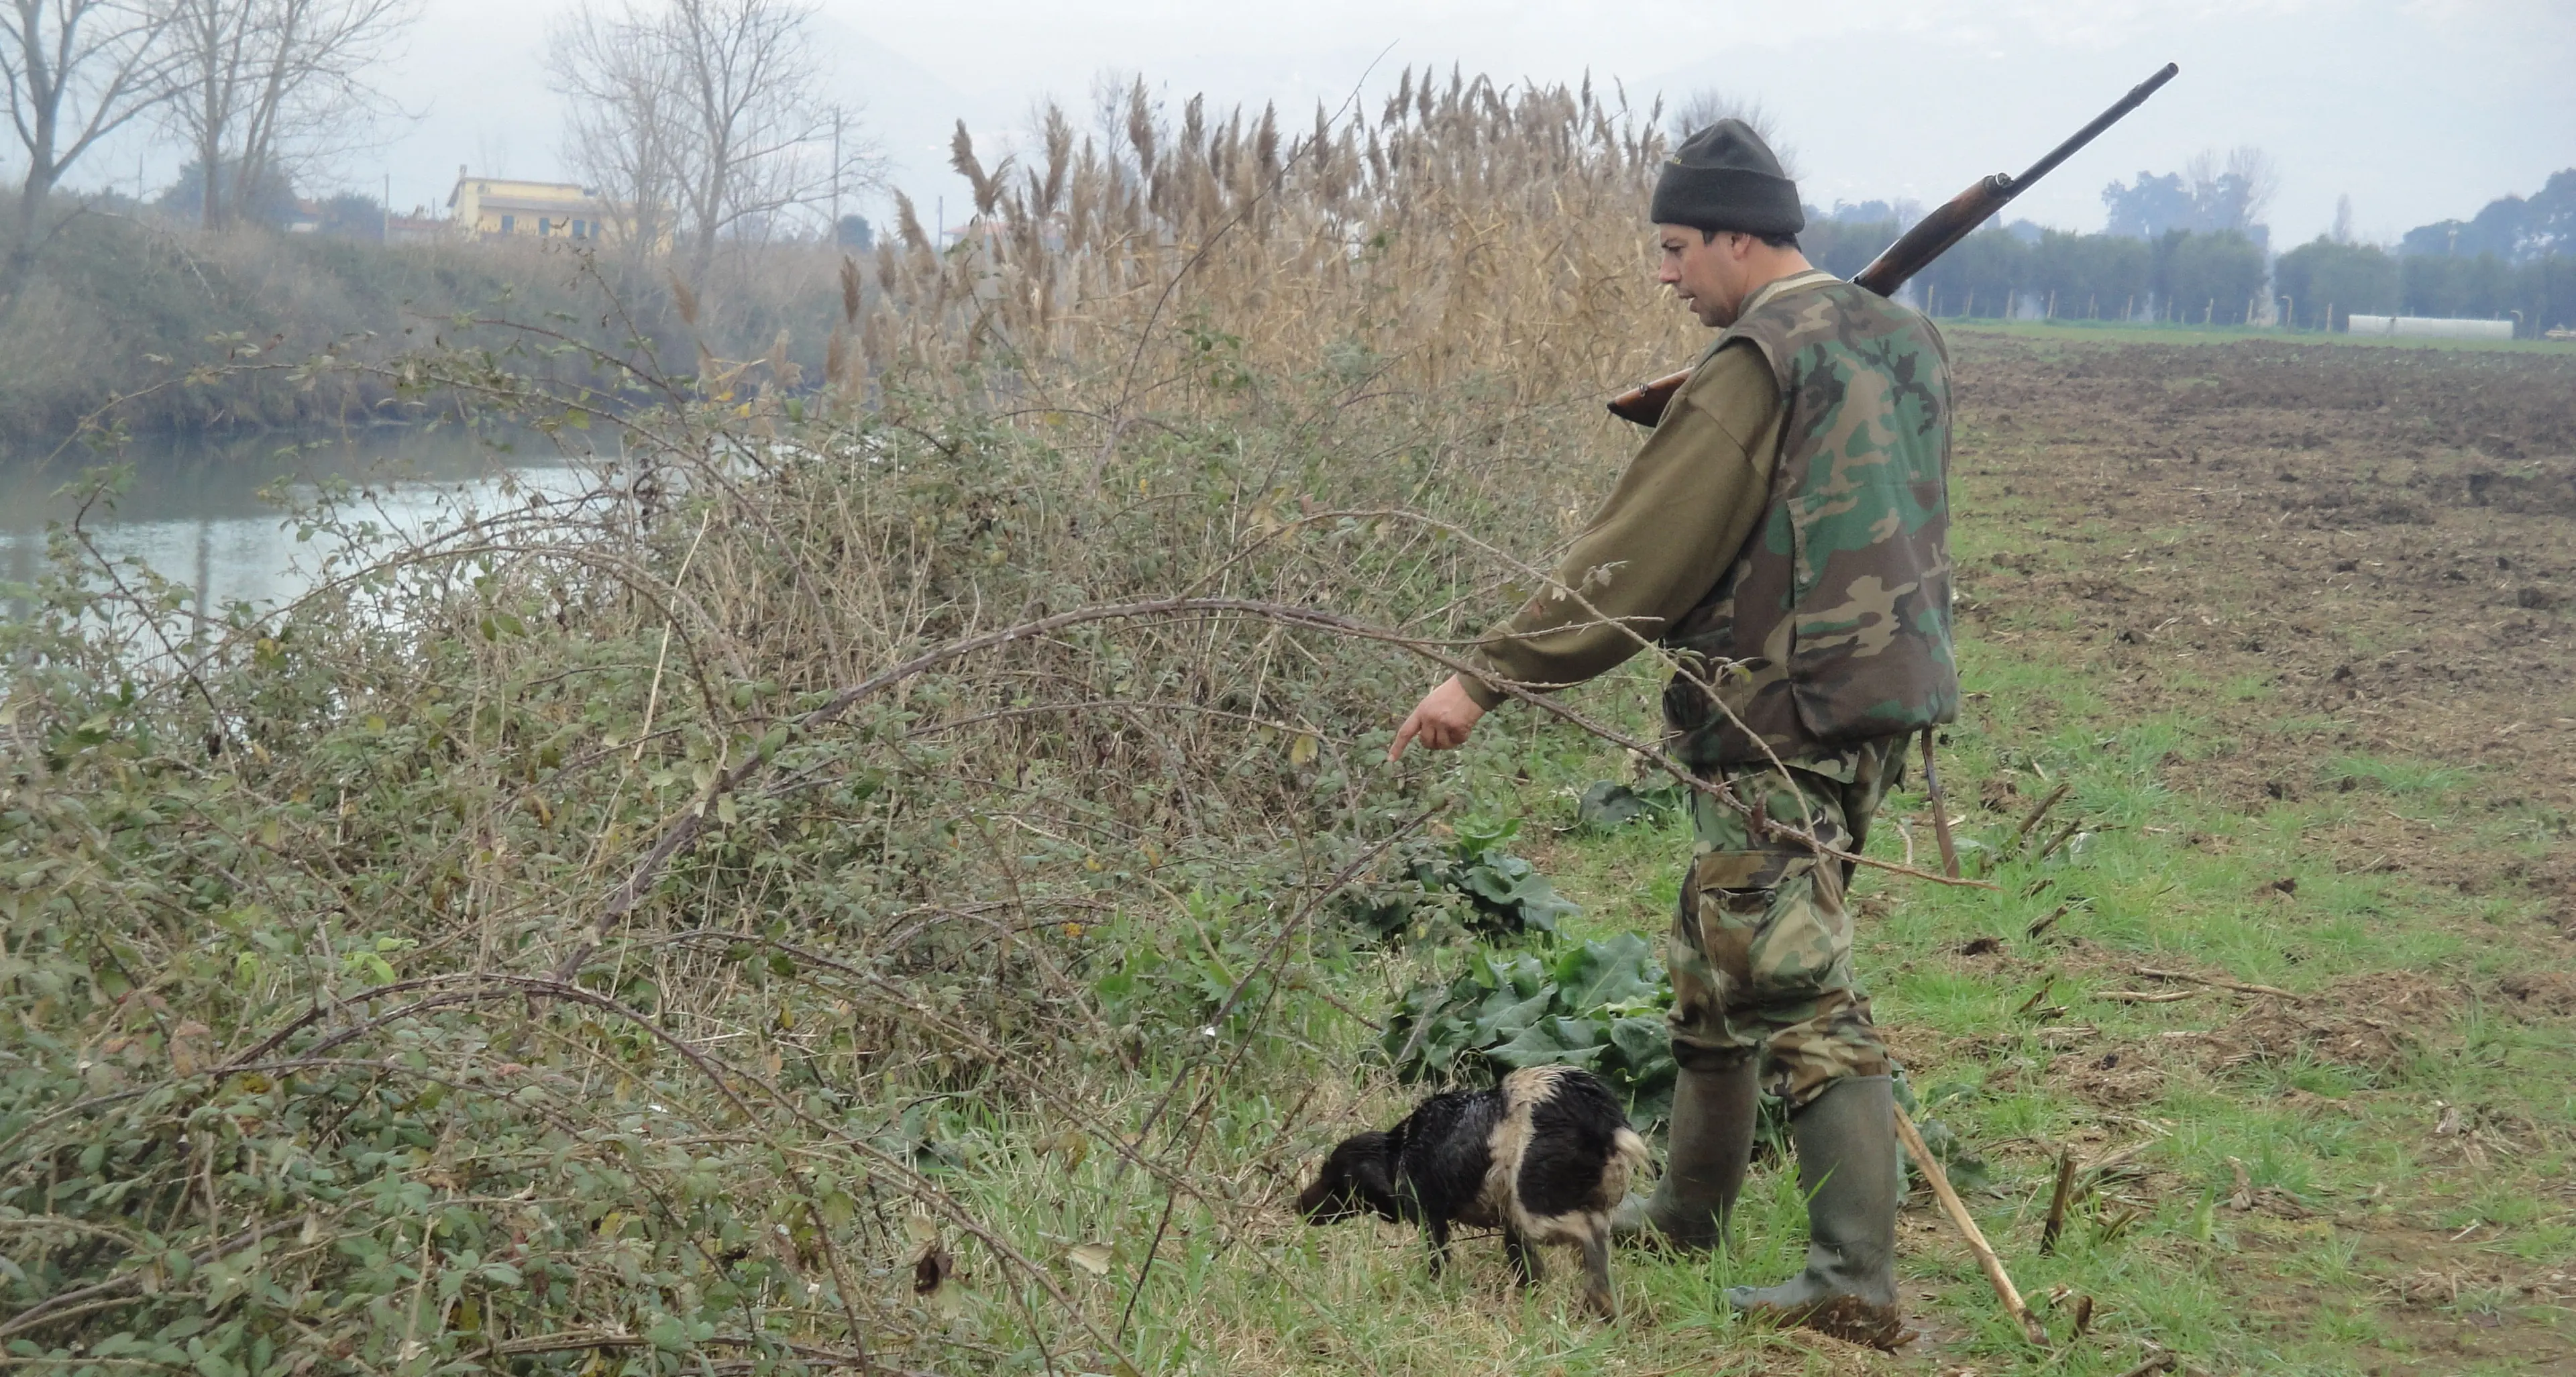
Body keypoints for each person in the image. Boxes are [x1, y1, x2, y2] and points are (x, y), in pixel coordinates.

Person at [1385, 118, 1956, 1348]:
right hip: (1874, 699)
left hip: (1778, 711)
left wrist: (1486, 677)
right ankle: (1692, 1209)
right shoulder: (1899, 335)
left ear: (1742, 239)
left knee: (1796, 993)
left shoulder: (1757, 360)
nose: (1667, 273)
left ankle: (1853, 1278)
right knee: (1720, 961)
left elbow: (1640, 556)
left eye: (1679, 246)